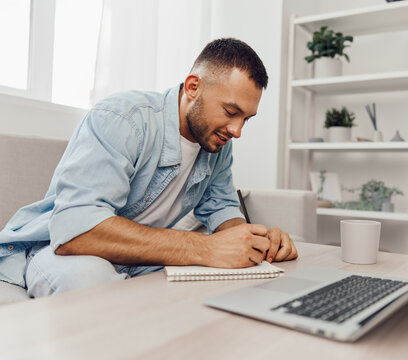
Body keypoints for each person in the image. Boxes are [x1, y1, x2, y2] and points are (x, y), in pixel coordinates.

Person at [0, 38, 297, 297]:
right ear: (193, 87)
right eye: (231, 112)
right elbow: (77, 232)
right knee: (88, 280)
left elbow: (223, 212)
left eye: (246, 118)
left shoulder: (217, 144)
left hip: (142, 258)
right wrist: (206, 248)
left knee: (230, 282)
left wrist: (257, 242)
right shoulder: (122, 118)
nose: (237, 130)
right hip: (62, 250)